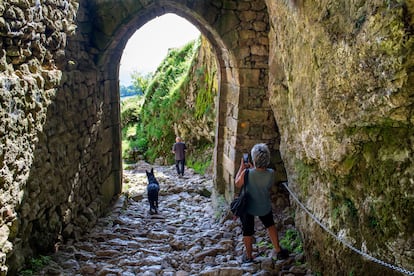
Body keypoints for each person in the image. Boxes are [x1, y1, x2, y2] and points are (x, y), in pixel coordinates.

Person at [234, 143, 289, 263]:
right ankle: (278, 249)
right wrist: (253, 168)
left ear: (254, 158)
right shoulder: (271, 173)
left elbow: (237, 183)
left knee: (247, 231)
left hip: (248, 206)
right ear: (267, 158)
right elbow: (266, 184)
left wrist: (242, 167)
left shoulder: (247, 173)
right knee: (270, 225)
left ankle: (249, 256)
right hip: (264, 205)